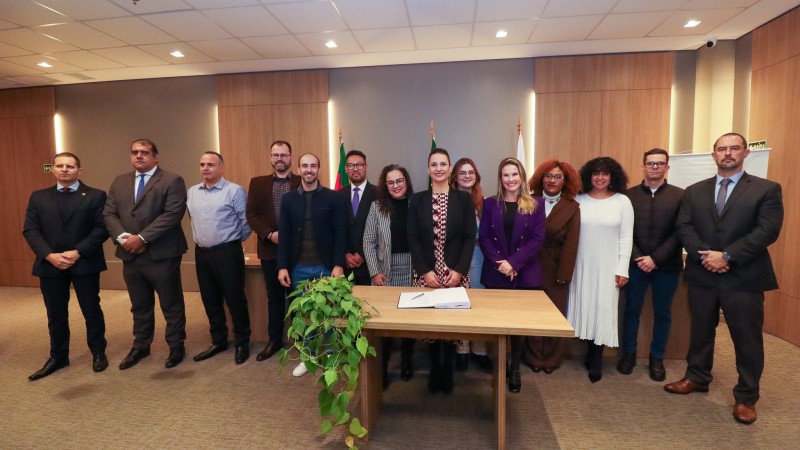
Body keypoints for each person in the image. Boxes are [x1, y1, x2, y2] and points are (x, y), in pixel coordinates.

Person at [664, 133, 783, 425]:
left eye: (734, 148)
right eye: (722, 149)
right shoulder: (694, 191)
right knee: (701, 331)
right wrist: (705, 256)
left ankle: (746, 397)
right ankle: (697, 377)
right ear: (713, 154)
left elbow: (766, 231)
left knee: (747, 339)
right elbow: (685, 227)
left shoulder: (766, 190)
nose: (727, 153)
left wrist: (726, 256)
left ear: (745, 154)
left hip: (744, 277)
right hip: (703, 274)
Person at [23, 152, 109, 380]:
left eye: (70, 166)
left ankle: (98, 351)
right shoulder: (38, 197)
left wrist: (78, 252)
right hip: (50, 265)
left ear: (79, 170)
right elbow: (31, 230)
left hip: (84, 262)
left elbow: (101, 229)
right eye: (59, 166)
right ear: (52, 169)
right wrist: (49, 255)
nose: (64, 169)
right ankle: (58, 356)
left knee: (91, 310)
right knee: (55, 313)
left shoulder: (95, 195)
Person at [104, 138, 188, 370]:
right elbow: (109, 214)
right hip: (130, 255)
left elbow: (172, 214)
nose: (139, 156)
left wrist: (141, 238)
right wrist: (124, 239)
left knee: (171, 303)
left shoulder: (172, 180)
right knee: (139, 303)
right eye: (134, 152)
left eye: (144, 152)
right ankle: (141, 344)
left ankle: (176, 345)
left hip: (162, 254)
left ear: (155, 156)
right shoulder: (119, 181)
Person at [408, 148, 476, 394]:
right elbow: (413, 237)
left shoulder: (463, 200)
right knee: (431, 323)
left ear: (450, 169)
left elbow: (470, 237)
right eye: (433, 164)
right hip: (427, 273)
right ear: (428, 170)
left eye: (443, 164)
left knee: (451, 323)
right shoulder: (417, 200)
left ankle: (447, 368)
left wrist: (458, 271)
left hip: (455, 273)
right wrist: (425, 271)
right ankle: (435, 367)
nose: (438, 168)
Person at [479, 157, 545, 393]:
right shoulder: (490, 204)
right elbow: (484, 237)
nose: (510, 180)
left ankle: (515, 367)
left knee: (518, 326)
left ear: (522, 177)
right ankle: (501, 365)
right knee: (497, 325)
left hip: (524, 273)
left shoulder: (536, 203)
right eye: (506, 175)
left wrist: (513, 263)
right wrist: (502, 264)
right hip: (497, 273)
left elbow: (538, 239)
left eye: (514, 174)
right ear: (500, 178)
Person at [277, 153, 346, 377]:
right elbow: (285, 236)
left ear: (319, 169)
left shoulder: (332, 198)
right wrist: (282, 266)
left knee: (328, 313)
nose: (309, 169)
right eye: (305, 166)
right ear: (299, 168)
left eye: (313, 166)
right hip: (299, 267)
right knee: (305, 315)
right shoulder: (288, 200)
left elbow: (340, 233)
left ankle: (329, 353)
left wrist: (338, 264)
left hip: (326, 266)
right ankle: (308, 357)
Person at [618, 149, 684, 381]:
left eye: (660, 164)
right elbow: (624, 232)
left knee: (663, 313)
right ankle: (628, 355)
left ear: (667, 167)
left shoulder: (680, 196)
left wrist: (655, 258)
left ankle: (657, 359)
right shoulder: (627, 196)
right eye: (650, 163)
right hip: (635, 266)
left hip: (666, 267)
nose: (655, 167)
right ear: (643, 166)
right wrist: (639, 257)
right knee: (631, 310)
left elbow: (680, 233)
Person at [568, 157, 633, 383]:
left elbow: (626, 237)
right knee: (584, 306)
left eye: (605, 173)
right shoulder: (578, 200)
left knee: (603, 308)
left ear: (613, 176)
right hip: (581, 263)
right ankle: (589, 350)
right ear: (589, 176)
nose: (600, 177)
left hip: (609, 265)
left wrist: (622, 268)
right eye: (596, 173)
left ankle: (597, 357)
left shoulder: (622, 202)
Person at [187, 152, 253, 365]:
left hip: (227, 252)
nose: (205, 168)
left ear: (222, 168)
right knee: (210, 298)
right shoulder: (192, 192)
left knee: (235, 299)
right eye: (202, 164)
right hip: (202, 253)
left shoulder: (234, 191)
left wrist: (231, 242)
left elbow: (246, 224)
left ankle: (242, 342)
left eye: (211, 165)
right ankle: (218, 340)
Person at [523, 159, 581, 375]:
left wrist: (564, 273)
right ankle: (534, 357)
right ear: (541, 178)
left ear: (565, 181)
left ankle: (551, 359)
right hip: (530, 264)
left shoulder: (572, 207)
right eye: (548, 176)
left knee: (555, 314)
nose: (552, 180)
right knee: (532, 314)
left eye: (558, 177)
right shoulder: (529, 201)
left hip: (556, 267)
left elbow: (572, 242)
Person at [246, 140, 300, 362]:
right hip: (270, 250)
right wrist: (270, 234)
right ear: (270, 157)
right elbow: (252, 215)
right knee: (274, 298)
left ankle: (301, 342)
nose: (280, 159)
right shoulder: (257, 183)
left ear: (291, 157)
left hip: (297, 251)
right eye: (276, 155)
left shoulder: (301, 181)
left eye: (284, 155)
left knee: (298, 298)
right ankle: (274, 340)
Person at [362, 164, 415, 390]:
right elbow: (368, 241)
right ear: (385, 185)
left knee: (410, 322)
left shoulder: (417, 204)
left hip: (413, 269)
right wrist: (375, 271)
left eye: (400, 181)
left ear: (406, 182)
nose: (396, 186)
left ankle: (406, 361)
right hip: (386, 270)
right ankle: (382, 369)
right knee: (384, 324)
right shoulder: (377, 207)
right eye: (391, 182)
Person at [449, 158, 492, 373]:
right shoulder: (446, 199)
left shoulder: (484, 202)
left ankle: (479, 347)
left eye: (471, 172)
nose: (467, 176)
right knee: (457, 301)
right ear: (454, 176)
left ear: (476, 176)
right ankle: (462, 347)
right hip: (452, 257)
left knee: (476, 301)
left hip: (477, 257)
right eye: (462, 172)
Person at [337, 150, 376, 286]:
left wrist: (362, 253)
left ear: (366, 167)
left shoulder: (379, 194)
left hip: (371, 265)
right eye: (351, 165)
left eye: (359, 165)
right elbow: (336, 228)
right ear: (346, 169)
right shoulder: (337, 196)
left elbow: (380, 230)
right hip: (345, 265)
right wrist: (346, 253)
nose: (355, 169)